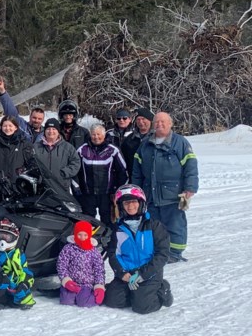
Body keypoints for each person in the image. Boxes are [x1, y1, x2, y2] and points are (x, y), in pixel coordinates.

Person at [131, 112, 198, 263]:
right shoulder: (146, 144)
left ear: (170, 124)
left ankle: (174, 252)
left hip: (173, 194)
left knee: (175, 223)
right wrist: (136, 191)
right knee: (155, 225)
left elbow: (191, 167)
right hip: (151, 194)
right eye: (156, 122)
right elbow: (137, 170)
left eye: (163, 122)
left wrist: (190, 187)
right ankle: (159, 251)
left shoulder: (180, 142)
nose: (159, 124)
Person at [104, 184, 174, 313]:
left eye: (133, 202)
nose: (130, 206)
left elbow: (163, 254)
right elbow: (113, 254)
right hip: (127, 273)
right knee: (112, 300)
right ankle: (135, 293)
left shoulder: (154, 226)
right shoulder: (118, 229)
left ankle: (162, 287)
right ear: (121, 206)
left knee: (142, 307)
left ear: (141, 202)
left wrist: (142, 274)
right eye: (126, 203)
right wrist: (122, 273)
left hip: (149, 272)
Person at [0, 115, 36, 209]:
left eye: (10, 126)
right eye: (5, 126)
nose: (7, 128)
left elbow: (32, 163)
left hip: (17, 188)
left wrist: (24, 175)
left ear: (16, 127)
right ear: (1, 127)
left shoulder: (24, 144)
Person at [76, 124, 128, 222]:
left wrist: (117, 191)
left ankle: (108, 237)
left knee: (108, 221)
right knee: (87, 222)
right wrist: (78, 189)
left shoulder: (113, 150)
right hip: (88, 193)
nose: (96, 137)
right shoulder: (82, 150)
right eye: (94, 134)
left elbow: (122, 171)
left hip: (107, 194)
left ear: (104, 135)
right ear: (90, 135)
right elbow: (75, 170)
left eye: (99, 134)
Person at [56, 220, 106, 307]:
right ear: (75, 234)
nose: (82, 238)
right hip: (71, 282)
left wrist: (99, 286)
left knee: (84, 303)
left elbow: (99, 269)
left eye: (85, 235)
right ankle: (65, 292)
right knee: (66, 301)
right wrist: (66, 280)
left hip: (86, 284)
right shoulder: (68, 248)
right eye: (79, 235)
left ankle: (91, 295)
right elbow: (61, 264)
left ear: (89, 235)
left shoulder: (93, 251)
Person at [32, 118, 81, 206]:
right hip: (41, 188)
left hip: (61, 187)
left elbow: (76, 162)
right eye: (48, 129)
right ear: (44, 131)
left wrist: (63, 173)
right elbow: (30, 163)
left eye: (54, 129)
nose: (51, 131)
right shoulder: (36, 147)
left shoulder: (67, 147)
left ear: (58, 131)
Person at [0, 76, 44, 142]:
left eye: (39, 119)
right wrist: (3, 92)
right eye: (34, 117)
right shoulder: (22, 125)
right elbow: (11, 113)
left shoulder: (46, 133)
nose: (36, 120)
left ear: (43, 120)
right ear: (30, 116)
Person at [121, 108, 153, 180]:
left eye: (143, 119)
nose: (141, 122)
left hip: (152, 180)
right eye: (138, 119)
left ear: (149, 119)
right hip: (134, 179)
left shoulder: (157, 137)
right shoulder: (129, 139)